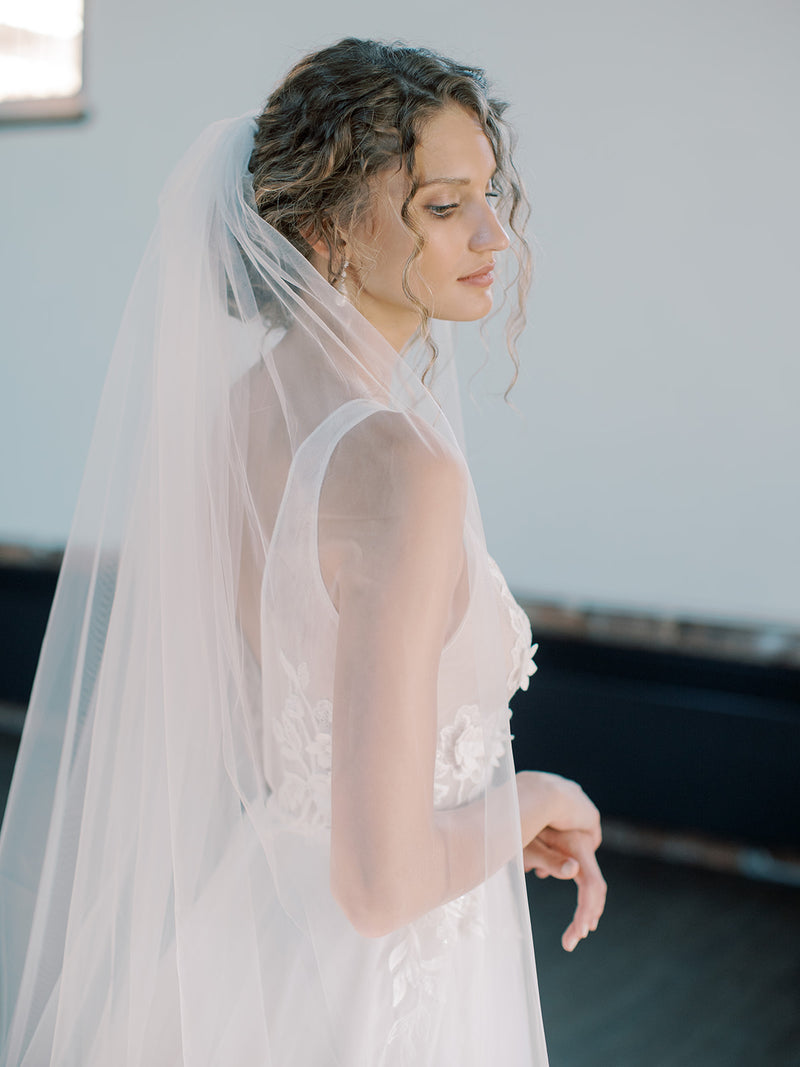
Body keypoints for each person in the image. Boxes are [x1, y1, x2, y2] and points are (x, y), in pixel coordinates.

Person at [0, 37, 605, 1066]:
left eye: (487, 196)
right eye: (442, 205)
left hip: (258, 930)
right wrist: (538, 799)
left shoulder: (238, 418)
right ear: (329, 231)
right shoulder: (400, 469)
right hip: (378, 990)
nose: (493, 235)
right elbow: (379, 884)